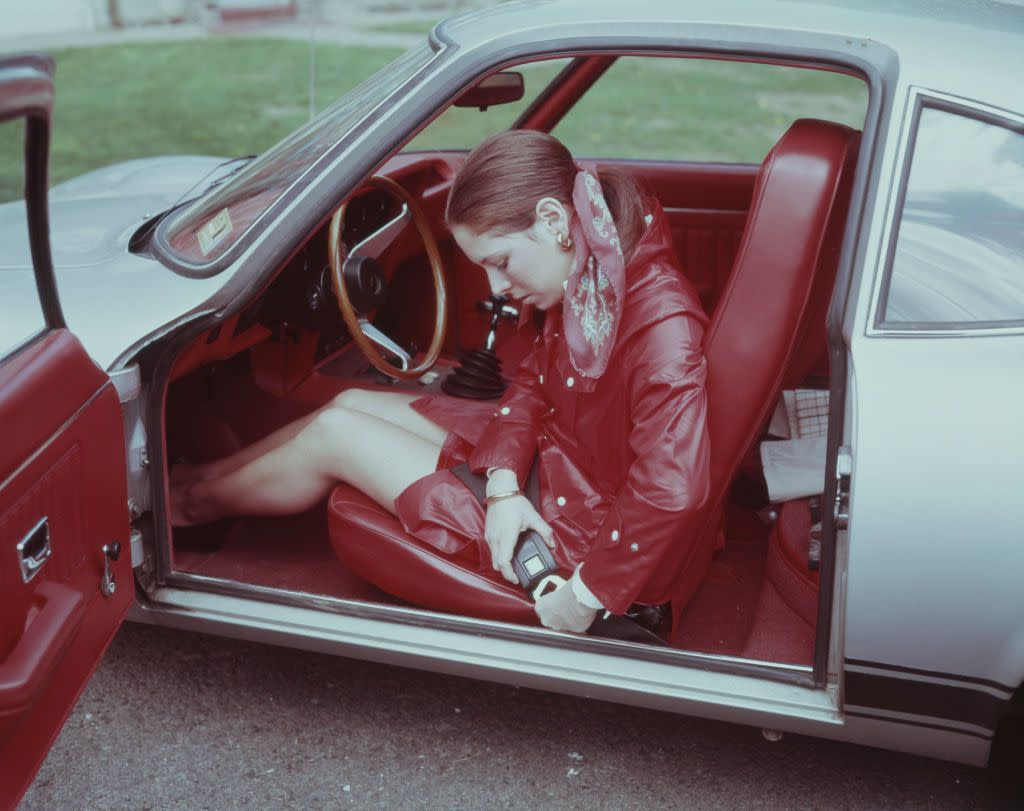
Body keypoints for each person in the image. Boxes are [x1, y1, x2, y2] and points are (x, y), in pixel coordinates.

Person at [170, 130, 711, 634]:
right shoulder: (596, 268)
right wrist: (501, 487)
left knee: (336, 433)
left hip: (580, 530)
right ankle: (197, 482)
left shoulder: (661, 326)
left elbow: (671, 489)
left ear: (552, 220)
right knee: (350, 400)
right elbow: (535, 386)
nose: (496, 287)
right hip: (556, 465)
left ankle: (185, 506)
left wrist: (587, 595)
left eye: (501, 261)